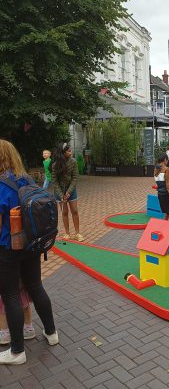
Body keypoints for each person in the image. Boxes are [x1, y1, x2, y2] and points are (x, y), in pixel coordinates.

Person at [0, 139, 58, 365]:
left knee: (11, 295)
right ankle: (51, 333)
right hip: (32, 243)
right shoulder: (26, 179)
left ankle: (17, 352)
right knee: (35, 286)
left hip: (7, 248)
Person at [52, 143, 84, 241]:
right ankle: (67, 233)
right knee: (64, 212)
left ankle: (77, 233)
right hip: (59, 192)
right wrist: (61, 196)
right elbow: (54, 181)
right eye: (69, 150)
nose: (71, 151)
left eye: (70, 150)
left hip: (71, 190)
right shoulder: (55, 165)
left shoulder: (73, 161)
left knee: (74, 211)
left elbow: (75, 177)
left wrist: (69, 192)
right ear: (63, 152)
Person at [154, 154, 169, 220]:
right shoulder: (166, 169)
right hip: (166, 194)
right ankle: (166, 228)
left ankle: (162, 227)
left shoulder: (156, 169)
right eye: (167, 160)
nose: (167, 162)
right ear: (165, 160)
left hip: (160, 194)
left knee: (166, 213)